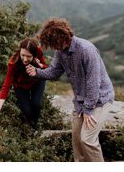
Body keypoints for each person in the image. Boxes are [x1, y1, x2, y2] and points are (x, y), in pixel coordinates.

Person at [26, 18, 115, 162]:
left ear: (62, 39)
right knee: (77, 142)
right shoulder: (61, 52)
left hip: (100, 100)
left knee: (87, 140)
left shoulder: (86, 50)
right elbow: (54, 72)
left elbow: (94, 83)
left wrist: (88, 110)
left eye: (54, 44)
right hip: (80, 100)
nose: (53, 48)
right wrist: (36, 72)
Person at [0, 38, 49, 130]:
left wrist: (40, 66)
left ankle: (34, 128)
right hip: (21, 84)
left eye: (29, 56)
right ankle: (29, 126)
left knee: (36, 104)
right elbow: (6, 86)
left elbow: (45, 68)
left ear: (34, 54)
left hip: (37, 79)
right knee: (27, 110)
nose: (25, 59)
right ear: (20, 52)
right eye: (23, 55)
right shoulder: (13, 62)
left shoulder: (38, 51)